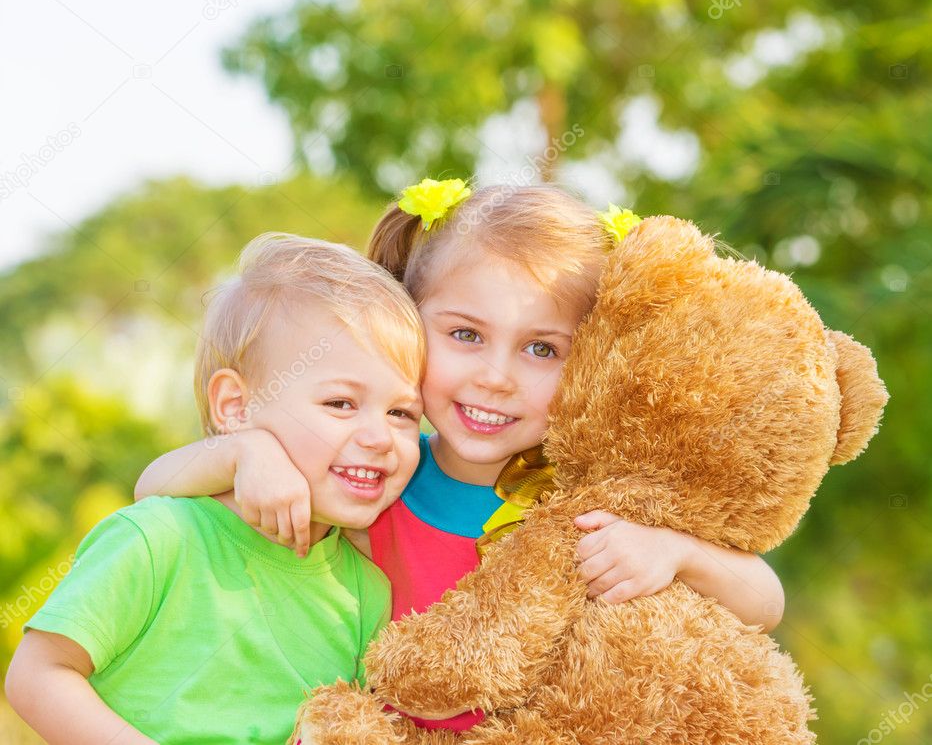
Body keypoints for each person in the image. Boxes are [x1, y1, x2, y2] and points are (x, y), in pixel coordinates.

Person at [134, 180, 786, 732]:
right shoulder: (374, 476)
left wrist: (675, 552)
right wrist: (245, 451)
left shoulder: (598, 498)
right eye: (466, 334)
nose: (495, 376)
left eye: (542, 349)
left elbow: (764, 598)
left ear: (590, 360)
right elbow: (152, 490)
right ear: (410, 325)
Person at [5, 233, 426, 745]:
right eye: (340, 403)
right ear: (234, 407)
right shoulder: (159, 539)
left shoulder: (365, 590)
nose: (380, 437)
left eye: (402, 412)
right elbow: (36, 675)